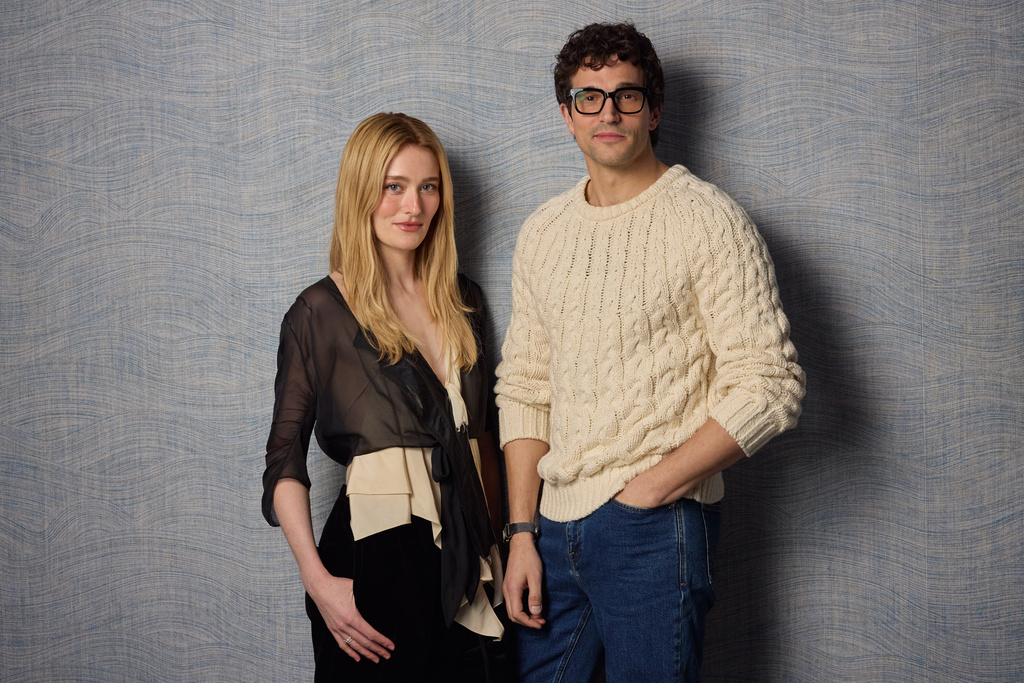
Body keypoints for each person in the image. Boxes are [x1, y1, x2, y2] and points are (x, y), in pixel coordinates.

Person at [495, 22, 806, 682]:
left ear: (654, 110)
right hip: (551, 528)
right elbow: (525, 386)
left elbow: (770, 384)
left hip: (653, 526)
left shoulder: (708, 218)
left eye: (627, 95)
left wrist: (651, 489)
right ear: (567, 116)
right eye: (590, 97)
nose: (608, 111)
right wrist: (521, 531)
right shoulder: (542, 232)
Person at [262, 112, 506, 682]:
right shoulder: (319, 311)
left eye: (428, 187)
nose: (412, 207)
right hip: (377, 556)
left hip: (471, 552)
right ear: (361, 193)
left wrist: (508, 547)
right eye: (393, 187)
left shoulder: (464, 299)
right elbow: (283, 462)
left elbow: (483, 440)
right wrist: (318, 583)